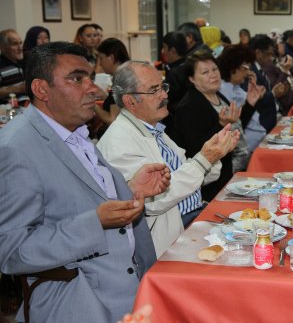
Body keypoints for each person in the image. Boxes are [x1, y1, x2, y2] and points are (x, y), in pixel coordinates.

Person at [0, 42, 171, 322]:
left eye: (91, 77)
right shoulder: (15, 148)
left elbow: (77, 197)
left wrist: (129, 189)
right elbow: (11, 251)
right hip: (82, 301)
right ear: (42, 89)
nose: (93, 88)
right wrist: (95, 222)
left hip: (125, 289)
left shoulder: (74, 131)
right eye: (77, 79)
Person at [98, 61, 236, 255]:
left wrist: (213, 155)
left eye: (163, 86)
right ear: (130, 101)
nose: (164, 94)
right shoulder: (119, 141)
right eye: (154, 90)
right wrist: (205, 159)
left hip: (190, 217)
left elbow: (183, 174)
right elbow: (155, 199)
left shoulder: (152, 128)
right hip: (169, 235)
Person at [173, 51, 241, 201]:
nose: (213, 75)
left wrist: (249, 105)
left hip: (227, 173)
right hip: (209, 184)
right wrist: (221, 125)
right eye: (205, 72)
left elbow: (235, 128)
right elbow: (194, 147)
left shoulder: (218, 95)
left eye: (214, 69)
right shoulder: (188, 106)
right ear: (192, 79)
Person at [217, 44, 263, 172]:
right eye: (245, 67)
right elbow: (236, 125)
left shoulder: (236, 88)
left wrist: (250, 102)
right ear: (233, 67)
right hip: (245, 151)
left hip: (253, 145)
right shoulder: (223, 91)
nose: (248, 72)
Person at [242, 34, 287, 152]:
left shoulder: (260, 68)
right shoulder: (249, 72)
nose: (271, 58)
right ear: (258, 53)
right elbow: (253, 100)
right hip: (259, 126)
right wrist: (273, 94)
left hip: (268, 121)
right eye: (269, 54)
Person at [93, 38, 131, 132]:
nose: (100, 64)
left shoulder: (120, 78)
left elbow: (113, 120)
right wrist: (106, 96)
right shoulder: (128, 72)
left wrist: (91, 104)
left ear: (111, 57)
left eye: (101, 58)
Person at [0, 29, 27, 103]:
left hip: (28, 105)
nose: (20, 48)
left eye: (20, 43)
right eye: (15, 44)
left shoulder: (24, 61)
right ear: (2, 47)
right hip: (10, 110)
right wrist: (18, 89)